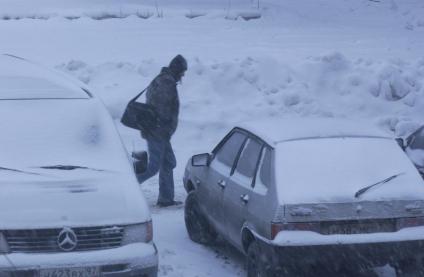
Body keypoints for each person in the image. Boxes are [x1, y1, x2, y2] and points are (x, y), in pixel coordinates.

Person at [136, 55, 187, 207]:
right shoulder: (166, 83)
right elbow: (162, 110)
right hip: (158, 132)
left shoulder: (162, 79)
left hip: (159, 132)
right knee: (153, 167)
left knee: (168, 162)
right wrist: (164, 128)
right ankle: (127, 187)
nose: (183, 76)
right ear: (177, 70)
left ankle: (166, 199)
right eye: (182, 72)